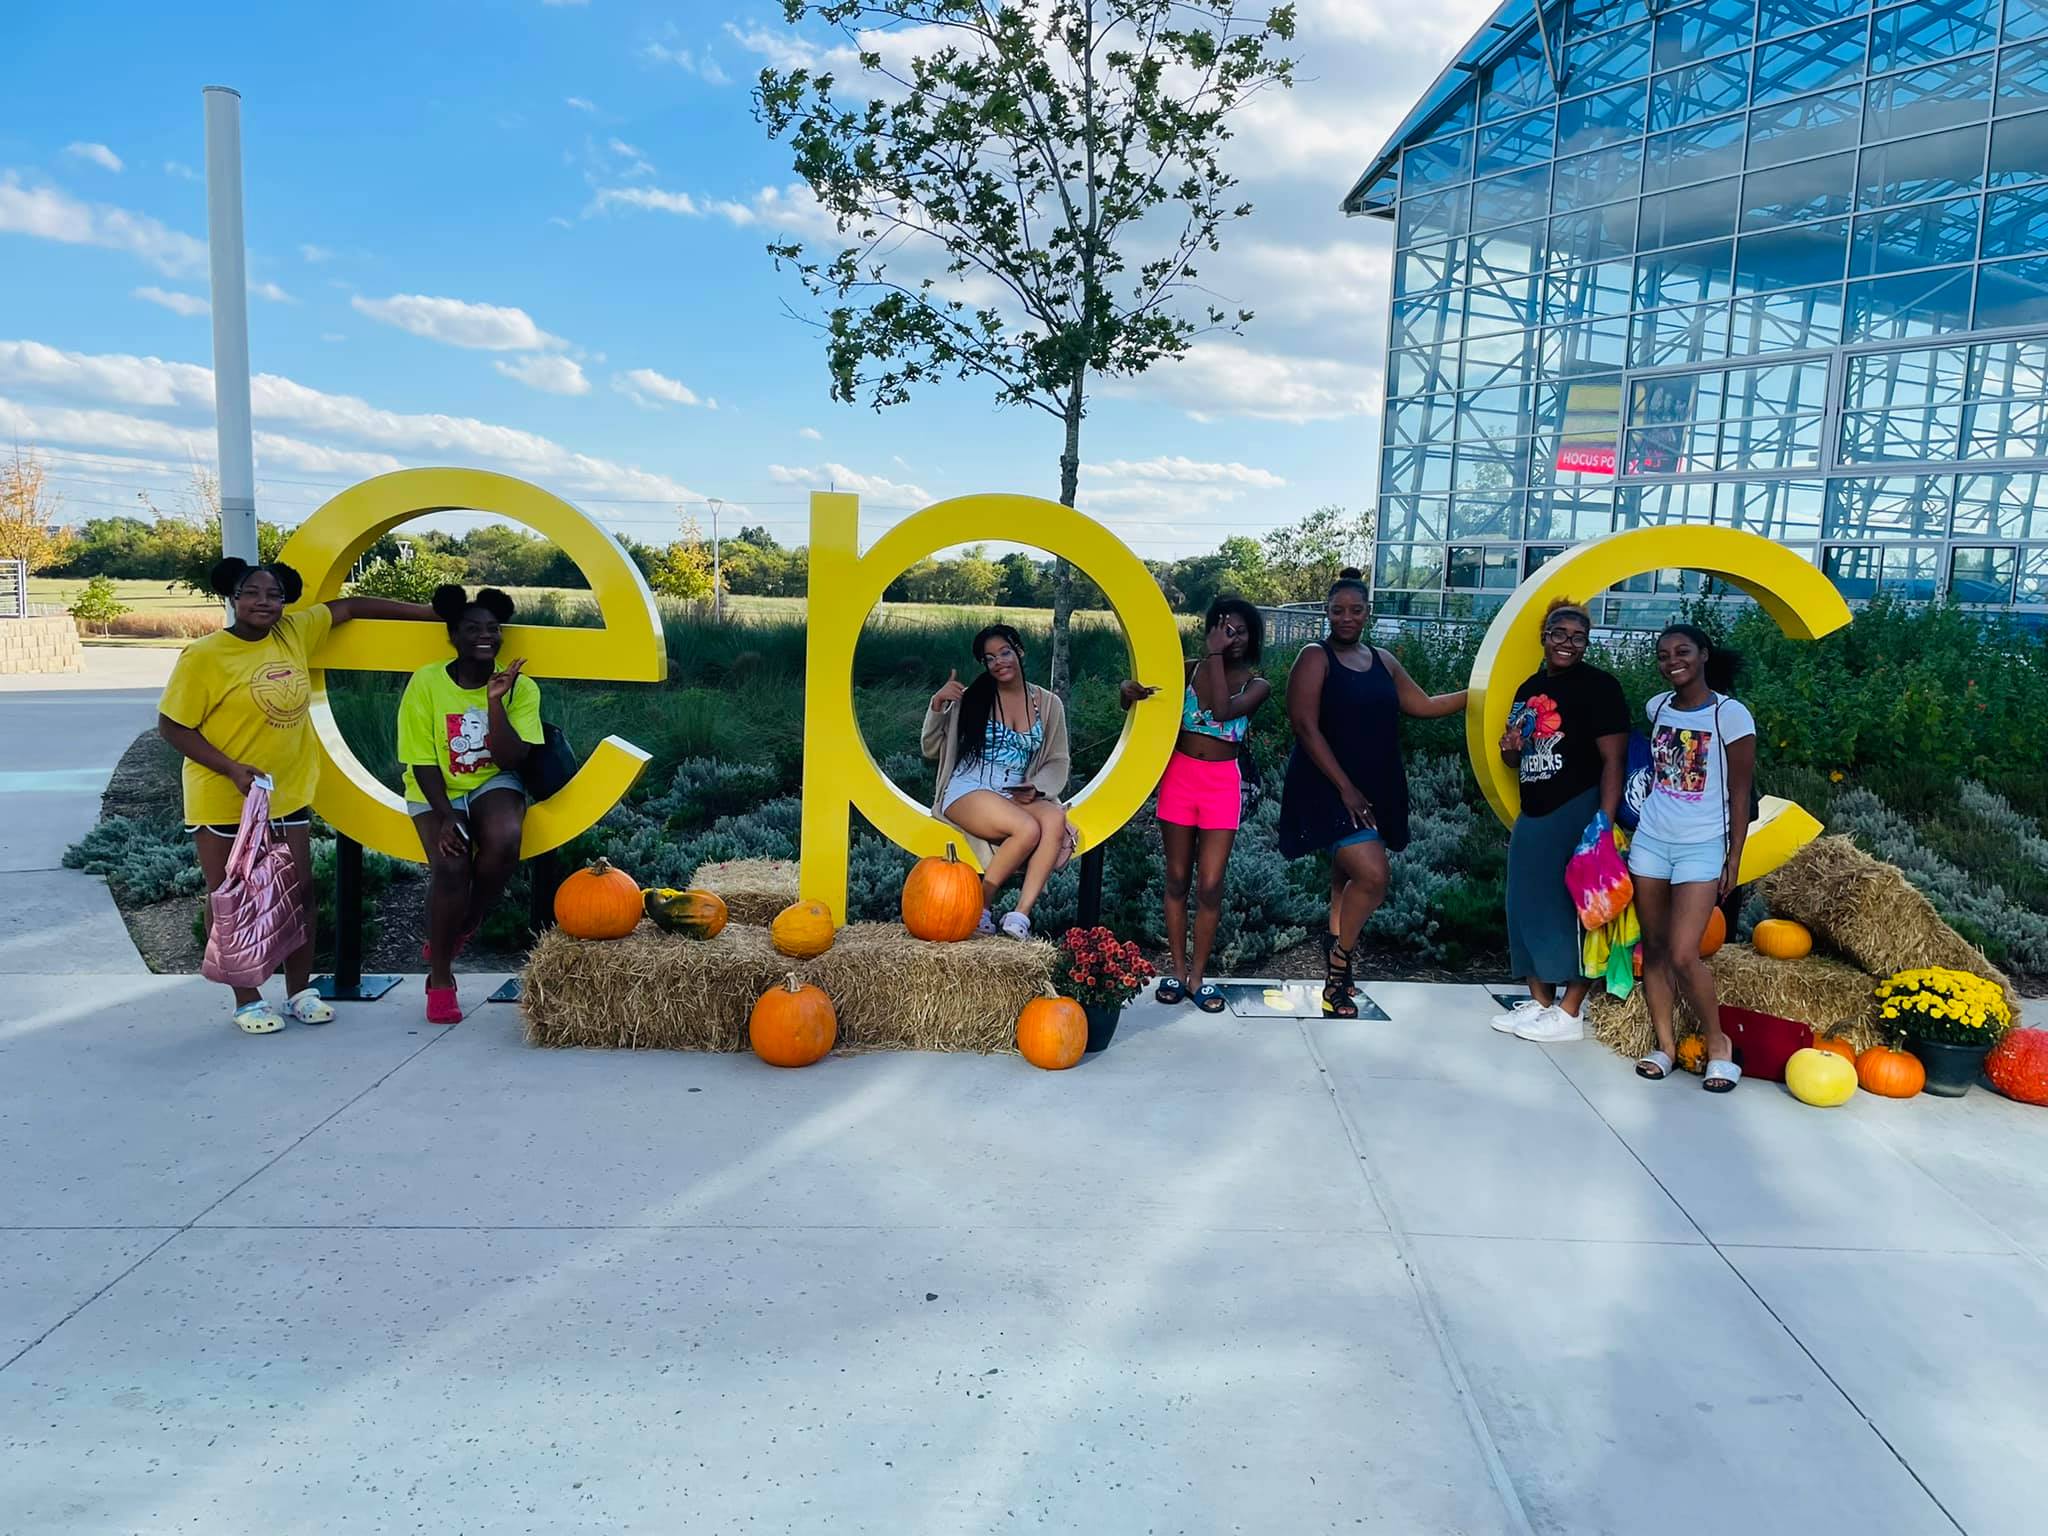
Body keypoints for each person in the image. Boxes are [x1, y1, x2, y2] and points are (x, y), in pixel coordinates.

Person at [157, 558, 436, 1035]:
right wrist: (231, 768)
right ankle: (247, 1000)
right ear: (232, 598)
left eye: (274, 594)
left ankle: (299, 992)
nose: (263, 602)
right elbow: (172, 726)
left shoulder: (294, 633)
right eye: (251, 592)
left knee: (299, 894)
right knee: (232, 899)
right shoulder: (204, 656)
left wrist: (430, 614)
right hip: (224, 798)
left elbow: (350, 607)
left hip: (285, 796)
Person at [1277, 569, 1467, 1017]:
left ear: (1368, 613)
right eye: (1337, 610)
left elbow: (1425, 705)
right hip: (1328, 786)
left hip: (1377, 785)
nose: (1346, 617)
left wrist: (1483, 692)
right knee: (1372, 876)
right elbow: (1304, 725)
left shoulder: (1383, 660)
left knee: (1345, 879)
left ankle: (1336, 967)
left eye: (1355, 610)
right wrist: (1346, 789)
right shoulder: (1315, 657)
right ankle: (1339, 965)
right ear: (1327, 613)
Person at [398, 585, 544, 1024]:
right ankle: (440, 978)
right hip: (434, 785)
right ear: (453, 636)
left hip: (492, 780)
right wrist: (445, 816)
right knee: (451, 865)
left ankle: (465, 921)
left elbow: (511, 759)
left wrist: (495, 700)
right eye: (472, 628)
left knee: (505, 838)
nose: (485, 636)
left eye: (493, 628)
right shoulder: (426, 682)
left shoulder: (521, 687)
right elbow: (421, 758)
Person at [1119, 597, 1270, 1013]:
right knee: (1176, 878)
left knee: (1210, 885)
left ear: (1252, 636)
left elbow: (1222, 711)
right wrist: (1128, 692)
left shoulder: (1256, 684)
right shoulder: (1186, 670)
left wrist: (1215, 655)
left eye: (1240, 631)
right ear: (1211, 630)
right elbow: (1138, 703)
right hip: (1179, 780)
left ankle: (1199, 977)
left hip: (1221, 785)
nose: (1232, 638)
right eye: (1224, 629)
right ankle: (1178, 971)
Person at [1490, 599, 1629, 1044]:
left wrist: (1603, 822)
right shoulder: (1529, 688)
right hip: (1534, 810)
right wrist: (1510, 749)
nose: (1568, 643)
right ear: (1544, 637)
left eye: (1578, 636)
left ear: (1586, 643)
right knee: (1523, 906)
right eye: (1559, 633)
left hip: (1578, 806)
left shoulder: (1600, 687)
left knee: (1575, 909)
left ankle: (1570, 1012)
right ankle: (1542, 1003)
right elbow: (1515, 759)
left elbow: (1614, 760)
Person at [1630, 623, 1754, 1093]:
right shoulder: (1658, 707)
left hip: (1701, 845)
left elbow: (1740, 793)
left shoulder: (1730, 715)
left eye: (1682, 651)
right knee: (1655, 949)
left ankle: (1718, 1045)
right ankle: (1665, 1047)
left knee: (1684, 954)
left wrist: (1734, 858)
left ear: (1704, 654)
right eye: (1663, 655)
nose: (1672, 661)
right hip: (1651, 841)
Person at [921, 623, 1073, 939]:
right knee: (1027, 829)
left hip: (1011, 794)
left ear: (1020, 651)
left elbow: (1058, 759)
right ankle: (980, 906)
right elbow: (931, 748)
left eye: (1004, 652)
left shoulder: (1048, 704)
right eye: (989, 658)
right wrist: (938, 705)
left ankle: (1020, 915)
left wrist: (1037, 787)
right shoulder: (972, 698)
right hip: (969, 790)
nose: (998, 662)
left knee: (1055, 817)